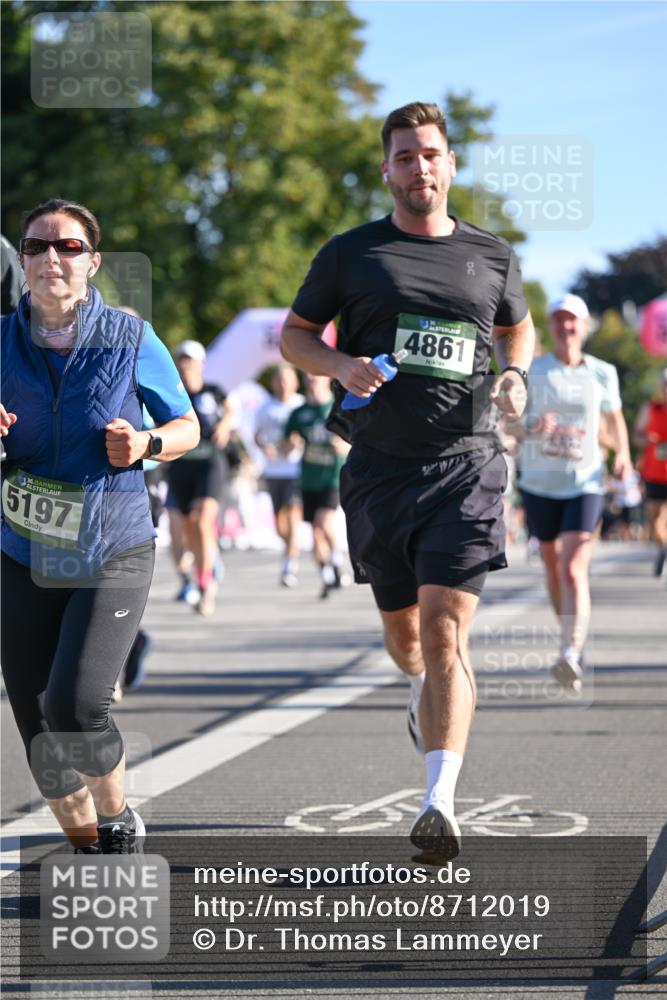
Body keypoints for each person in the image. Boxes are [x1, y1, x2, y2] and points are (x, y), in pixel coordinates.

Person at [281, 102, 534, 859]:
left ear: (450, 164)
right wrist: (336, 364)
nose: (418, 168)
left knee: (443, 627)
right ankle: (415, 689)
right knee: (406, 641)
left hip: (466, 463)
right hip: (377, 471)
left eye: (429, 154)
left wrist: (514, 371)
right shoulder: (350, 253)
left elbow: (512, 324)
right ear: (386, 169)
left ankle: (438, 802)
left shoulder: (491, 256)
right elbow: (294, 335)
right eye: (403, 157)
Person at [0, 198, 199, 854]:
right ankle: (88, 842)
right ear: (22, 259)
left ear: (93, 261)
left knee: (75, 709)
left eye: (68, 248)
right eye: (36, 247)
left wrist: (146, 444)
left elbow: (187, 427)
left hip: (111, 544)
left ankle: (116, 818)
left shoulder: (131, 337)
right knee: (36, 727)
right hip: (23, 546)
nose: (51, 259)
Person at [517, 293, 632, 690]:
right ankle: (571, 639)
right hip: (538, 483)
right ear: (550, 326)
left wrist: (624, 458)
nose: (566, 327)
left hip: (585, 483)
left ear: (584, 327)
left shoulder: (602, 372)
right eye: (559, 320)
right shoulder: (533, 371)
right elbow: (505, 424)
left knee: (571, 567)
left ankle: (569, 651)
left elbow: (615, 419)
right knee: (552, 568)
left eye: (573, 321)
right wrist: (531, 428)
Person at [165, 340, 234, 616]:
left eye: (190, 360)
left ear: (201, 364)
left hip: (210, 464)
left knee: (202, 520)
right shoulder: (171, 394)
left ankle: (206, 587)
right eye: (181, 359)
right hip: (181, 466)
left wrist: (226, 424)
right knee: (185, 526)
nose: (185, 365)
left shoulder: (213, 391)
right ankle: (203, 566)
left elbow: (232, 409)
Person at [284, 374, 350, 599]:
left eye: (316, 376)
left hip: (332, 477)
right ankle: (327, 576)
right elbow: (285, 445)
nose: (312, 380)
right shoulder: (299, 413)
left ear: (326, 379)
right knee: (315, 532)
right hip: (309, 479)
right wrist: (290, 444)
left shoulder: (338, 407)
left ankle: (337, 559)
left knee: (324, 522)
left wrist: (344, 446)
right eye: (308, 376)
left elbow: (357, 439)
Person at [254, 363, 304, 587]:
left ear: (295, 382)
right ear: (274, 383)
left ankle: (289, 565)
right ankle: (289, 548)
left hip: (296, 470)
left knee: (293, 517)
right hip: (273, 471)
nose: (283, 384)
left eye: (287, 379)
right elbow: (257, 435)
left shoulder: (301, 406)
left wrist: (296, 443)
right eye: (279, 379)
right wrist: (264, 447)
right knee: (279, 525)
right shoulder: (266, 407)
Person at [634, 367, 667, 576]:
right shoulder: (651, 408)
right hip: (654, 474)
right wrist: (646, 439)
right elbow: (636, 435)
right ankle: (664, 548)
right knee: (654, 526)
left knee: (663, 518)